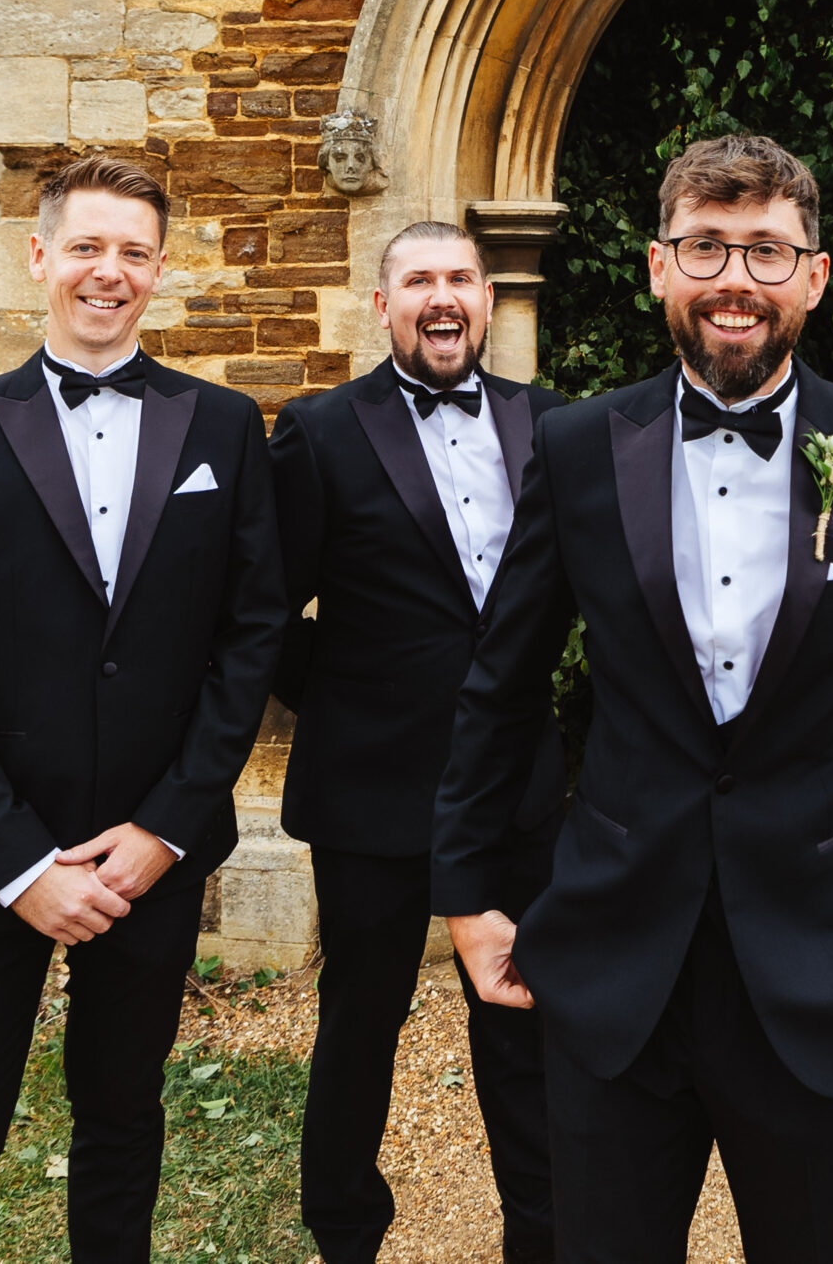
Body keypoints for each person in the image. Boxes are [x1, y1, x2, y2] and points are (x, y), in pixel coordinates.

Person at [431, 134, 833, 1264]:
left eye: (767, 250)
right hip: (615, 953)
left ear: (812, 276)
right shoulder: (575, 448)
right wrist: (466, 898)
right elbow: (499, 681)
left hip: (823, 956)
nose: (735, 280)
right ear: (660, 266)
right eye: (707, 245)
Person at [0, 155, 285, 1264]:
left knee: (122, 1123)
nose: (110, 273)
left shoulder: (224, 429)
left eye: (135, 252)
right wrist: (17, 864)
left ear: (158, 272)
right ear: (40, 257)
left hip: (149, 854)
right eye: (88, 248)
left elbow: (249, 643)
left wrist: (166, 829)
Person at [270, 220, 563, 1264]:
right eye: (418, 281)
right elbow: (265, 616)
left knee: (526, 1020)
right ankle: (344, 1232)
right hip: (371, 790)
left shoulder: (551, 425)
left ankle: (541, 1233)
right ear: (383, 304)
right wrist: (354, 704)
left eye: (459, 280)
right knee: (361, 1026)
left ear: (487, 300)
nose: (442, 299)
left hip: (521, 788)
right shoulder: (319, 432)